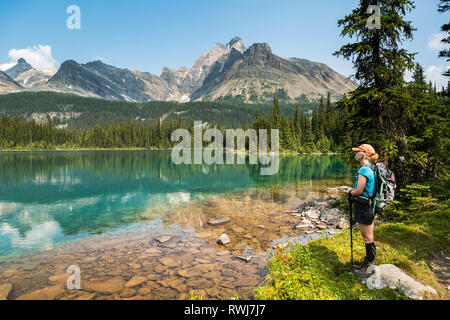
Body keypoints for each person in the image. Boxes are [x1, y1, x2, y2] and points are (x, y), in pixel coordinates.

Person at [347, 144, 379, 277]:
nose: (355, 154)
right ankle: (368, 261)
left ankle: (369, 267)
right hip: (369, 205)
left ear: (363, 154)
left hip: (363, 205)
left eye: (357, 152)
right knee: (368, 236)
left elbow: (359, 190)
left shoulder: (364, 171)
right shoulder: (371, 169)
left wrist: (350, 191)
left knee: (367, 238)